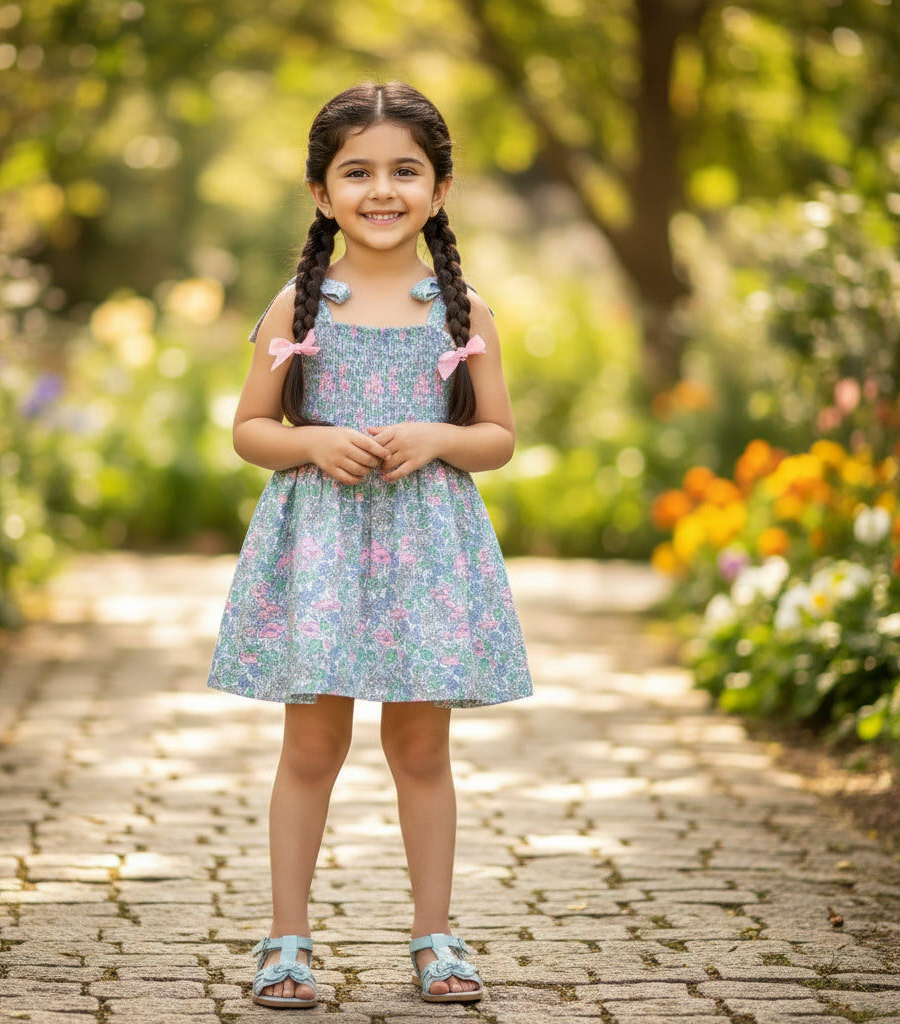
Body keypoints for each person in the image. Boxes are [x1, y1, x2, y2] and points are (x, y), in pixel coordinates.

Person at [207, 80, 533, 1009]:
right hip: (322, 553)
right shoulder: (300, 305)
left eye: (405, 171)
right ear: (321, 192)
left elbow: (498, 438)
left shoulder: (461, 310)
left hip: (426, 554)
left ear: (439, 189)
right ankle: (287, 939)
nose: (381, 190)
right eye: (357, 172)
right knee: (312, 747)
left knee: (421, 750)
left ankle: (435, 935)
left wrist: (439, 437)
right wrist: (311, 444)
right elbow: (250, 429)